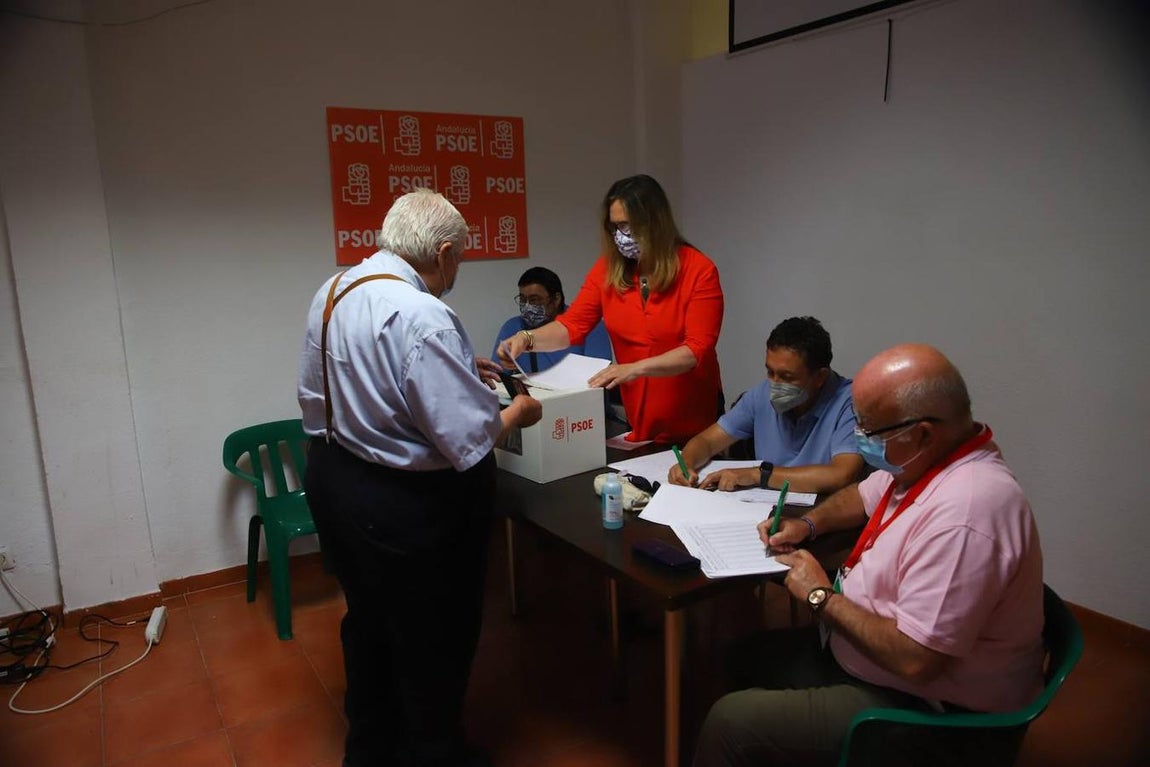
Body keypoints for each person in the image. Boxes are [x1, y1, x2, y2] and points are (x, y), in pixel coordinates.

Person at [693, 344, 1045, 767]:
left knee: (729, 722)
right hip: (861, 654)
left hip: (925, 707)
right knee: (740, 657)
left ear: (923, 432)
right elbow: (861, 496)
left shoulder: (967, 513)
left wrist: (819, 596)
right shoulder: (926, 461)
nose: (861, 438)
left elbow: (916, 661)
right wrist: (807, 525)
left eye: (871, 431)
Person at [297, 190, 542, 767]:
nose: (457, 269)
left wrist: (459, 367)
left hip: (335, 480)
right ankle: (432, 749)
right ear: (442, 251)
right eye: (459, 257)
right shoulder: (423, 313)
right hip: (404, 503)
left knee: (368, 621)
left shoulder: (334, 290)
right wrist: (520, 413)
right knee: (433, 633)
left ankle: (370, 745)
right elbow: (470, 440)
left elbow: (342, 387)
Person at [497, 174, 724, 444]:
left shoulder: (699, 270)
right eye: (614, 226)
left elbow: (695, 350)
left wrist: (633, 368)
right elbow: (572, 325)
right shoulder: (607, 270)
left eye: (627, 225)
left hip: (694, 422)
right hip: (639, 420)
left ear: (654, 223)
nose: (620, 235)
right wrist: (527, 339)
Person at [668, 316, 863, 494]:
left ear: (820, 377)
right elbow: (707, 441)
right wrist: (687, 463)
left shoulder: (851, 403)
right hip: (762, 509)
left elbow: (842, 475)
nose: (775, 384)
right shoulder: (760, 395)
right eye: (770, 372)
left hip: (821, 515)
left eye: (787, 377)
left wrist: (758, 475)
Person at [491, 266, 612, 373]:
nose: (527, 306)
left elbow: (599, 377)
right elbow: (497, 376)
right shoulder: (512, 328)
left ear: (556, 299)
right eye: (523, 299)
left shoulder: (591, 326)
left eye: (534, 300)